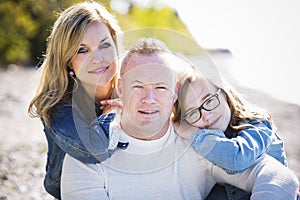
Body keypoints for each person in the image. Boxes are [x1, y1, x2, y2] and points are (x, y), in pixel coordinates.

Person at [61, 37, 299, 200]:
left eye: (161, 88)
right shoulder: (87, 154)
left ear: (175, 92)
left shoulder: (198, 144)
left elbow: (279, 176)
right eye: (138, 86)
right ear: (121, 89)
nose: (149, 98)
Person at [27, 1, 126, 199]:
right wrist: (112, 114)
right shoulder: (58, 106)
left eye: (104, 45)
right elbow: (95, 149)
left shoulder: (132, 85)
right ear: (66, 60)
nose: (97, 58)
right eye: (82, 50)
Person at [172, 65, 299, 199]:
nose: (206, 115)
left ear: (224, 93)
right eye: (193, 112)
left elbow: (236, 159)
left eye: (209, 100)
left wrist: (194, 135)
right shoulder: (202, 135)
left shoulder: (257, 124)